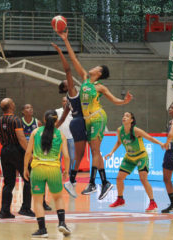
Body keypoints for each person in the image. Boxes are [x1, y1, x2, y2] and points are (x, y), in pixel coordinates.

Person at [57, 30, 133, 200]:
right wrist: (66, 40)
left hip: (98, 117)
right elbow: (74, 59)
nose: (93, 67)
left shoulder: (100, 87)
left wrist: (125, 101)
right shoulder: (84, 79)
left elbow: (115, 101)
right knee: (94, 152)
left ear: (99, 73)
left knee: (96, 151)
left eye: (97, 67)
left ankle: (104, 182)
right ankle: (99, 183)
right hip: (87, 120)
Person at [23, 110, 71, 238]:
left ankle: (42, 229)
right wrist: (66, 170)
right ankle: (62, 223)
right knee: (58, 198)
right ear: (56, 120)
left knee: (38, 201)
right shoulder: (61, 135)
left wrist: (25, 169)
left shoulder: (35, 132)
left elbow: (28, 153)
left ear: (44, 120)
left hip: (38, 169)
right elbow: (66, 156)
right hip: (54, 169)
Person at [105, 112, 163, 212]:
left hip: (141, 156)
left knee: (143, 179)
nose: (124, 117)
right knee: (119, 178)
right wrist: (111, 152)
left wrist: (161, 143)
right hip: (129, 157)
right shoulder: (120, 130)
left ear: (131, 120)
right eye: (123, 115)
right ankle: (120, 199)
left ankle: (153, 203)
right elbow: (119, 142)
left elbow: (149, 138)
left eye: (127, 116)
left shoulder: (136, 130)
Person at [52, 42, 88, 198]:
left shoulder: (68, 100)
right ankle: (78, 181)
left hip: (75, 122)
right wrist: (60, 52)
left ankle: (72, 181)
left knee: (79, 156)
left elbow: (61, 120)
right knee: (84, 153)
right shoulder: (72, 91)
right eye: (67, 82)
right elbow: (68, 70)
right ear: (67, 87)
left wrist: (50, 128)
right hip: (80, 121)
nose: (69, 81)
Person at [0, 98, 35, 218]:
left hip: (5, 151)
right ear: (10, 106)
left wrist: (5, 139)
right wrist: (29, 153)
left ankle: (4, 211)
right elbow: (21, 138)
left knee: (8, 183)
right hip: (17, 150)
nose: (14, 104)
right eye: (13, 103)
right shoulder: (16, 120)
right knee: (28, 179)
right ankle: (25, 208)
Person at [21, 103, 52, 211]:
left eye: (31, 107)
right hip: (25, 153)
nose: (30, 109)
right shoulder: (19, 122)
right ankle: (25, 205)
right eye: (27, 107)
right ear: (23, 111)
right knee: (27, 180)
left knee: (41, 178)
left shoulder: (37, 122)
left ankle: (43, 202)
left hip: (36, 154)